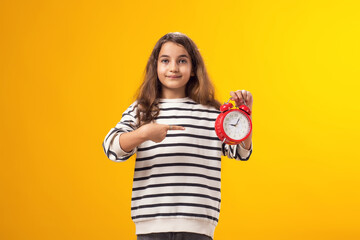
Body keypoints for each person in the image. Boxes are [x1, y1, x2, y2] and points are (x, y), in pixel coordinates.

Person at [102, 32, 253, 240]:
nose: (173, 68)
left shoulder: (212, 112)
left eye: (182, 61)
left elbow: (240, 152)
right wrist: (144, 133)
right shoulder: (142, 110)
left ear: (193, 69)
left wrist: (244, 116)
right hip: (151, 222)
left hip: (198, 223)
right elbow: (111, 146)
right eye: (165, 61)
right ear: (155, 66)